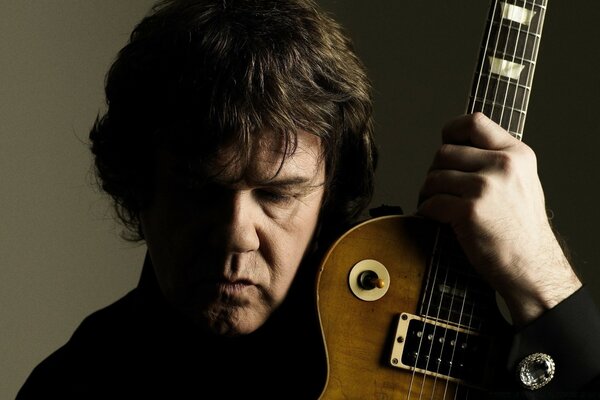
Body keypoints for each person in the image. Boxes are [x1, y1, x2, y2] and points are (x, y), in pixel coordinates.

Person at [17, 0, 600, 398]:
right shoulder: (74, 384)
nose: (237, 234)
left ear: (331, 193)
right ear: (138, 187)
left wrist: (540, 276)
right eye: (201, 192)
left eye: (278, 194)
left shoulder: (414, 329)